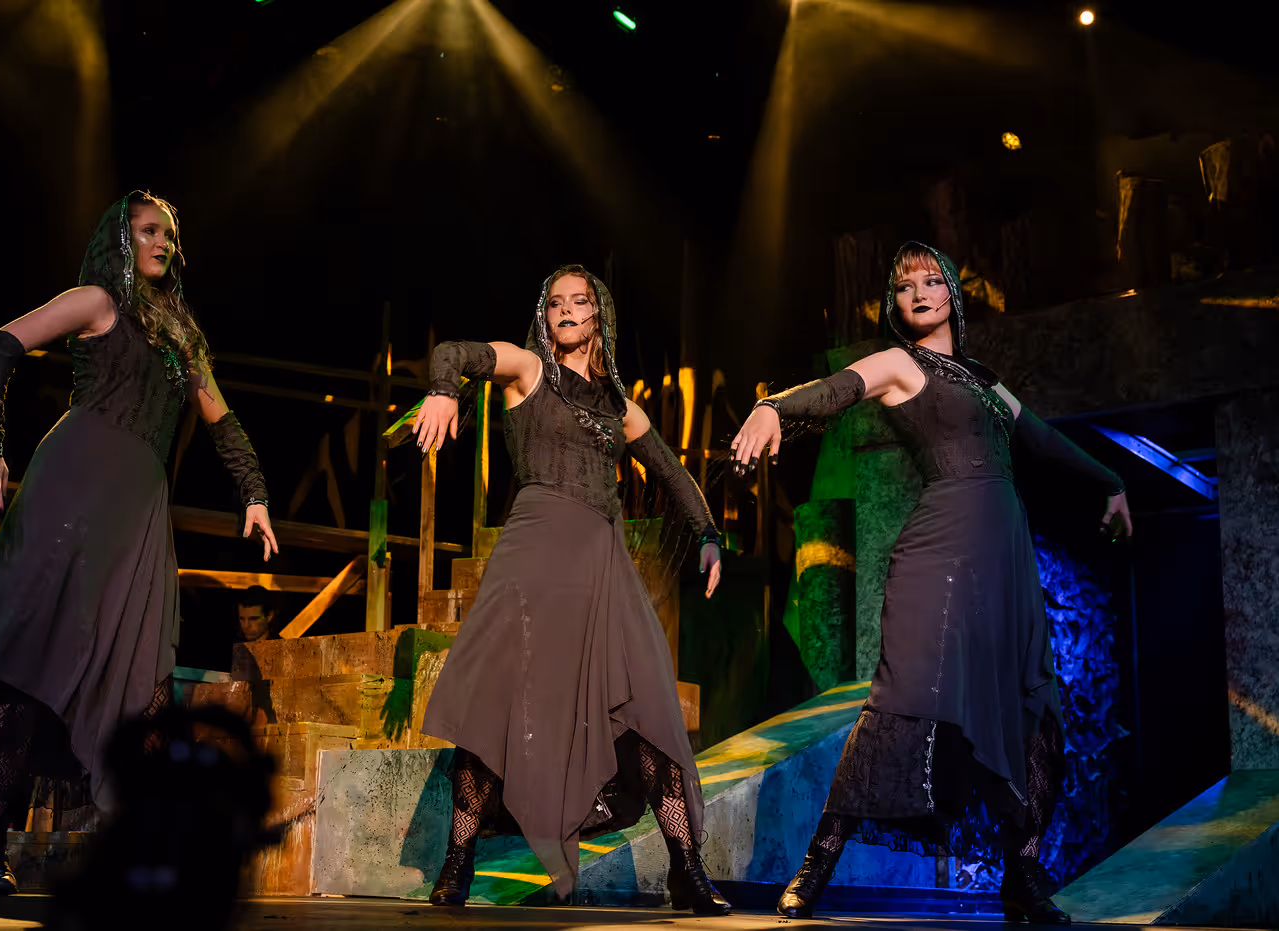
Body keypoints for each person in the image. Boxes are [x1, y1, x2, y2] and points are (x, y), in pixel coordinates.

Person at [731, 242, 1132, 924]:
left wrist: (1111, 481)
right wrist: (773, 407)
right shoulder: (900, 364)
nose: (916, 292)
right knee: (902, 703)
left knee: (1034, 719)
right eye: (902, 285)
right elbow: (836, 388)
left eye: (929, 280)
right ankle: (816, 865)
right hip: (939, 559)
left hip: (1005, 565)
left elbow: (1040, 439)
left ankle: (1022, 876)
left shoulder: (985, 383)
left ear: (952, 292)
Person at [0, 191, 279, 896]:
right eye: (148, 231)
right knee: (26, 667)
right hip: (72, 491)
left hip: (139, 513)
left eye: (170, 234)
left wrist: (255, 493)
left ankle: (139, 844)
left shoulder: (182, 335)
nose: (163, 243)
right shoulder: (97, 301)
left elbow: (222, 421)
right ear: (121, 238)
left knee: (145, 680)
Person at [414, 265, 731, 914]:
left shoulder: (619, 406)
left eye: (578, 301)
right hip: (533, 554)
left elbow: (674, 474)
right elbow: (452, 352)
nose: (564, 310)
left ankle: (686, 869)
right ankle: (457, 861)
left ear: (598, 316)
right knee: (493, 707)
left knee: (649, 707)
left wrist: (708, 534)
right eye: (555, 301)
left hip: (601, 562)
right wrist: (444, 391)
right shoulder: (528, 370)